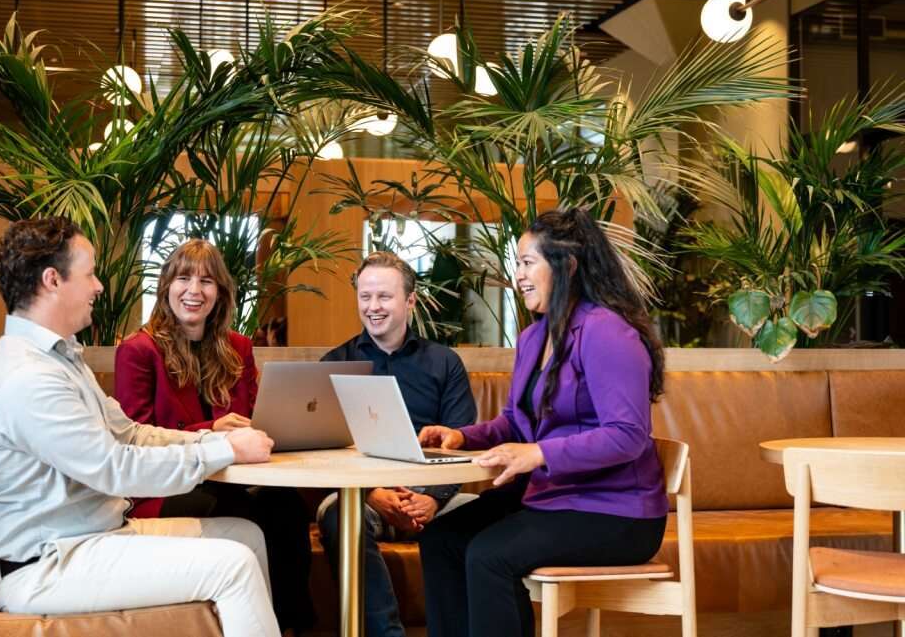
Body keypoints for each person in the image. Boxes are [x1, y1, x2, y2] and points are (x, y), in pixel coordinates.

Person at [0, 217, 281, 637]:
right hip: (46, 563)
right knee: (234, 563)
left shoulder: (59, 359)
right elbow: (114, 467)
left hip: (91, 538)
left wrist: (216, 438)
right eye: (89, 274)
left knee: (246, 535)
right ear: (52, 280)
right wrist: (223, 452)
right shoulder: (29, 375)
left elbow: (131, 432)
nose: (99, 286)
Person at [417, 208, 669, 637]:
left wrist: (539, 453)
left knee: (488, 554)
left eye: (527, 262)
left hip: (617, 512)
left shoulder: (608, 332)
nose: (518, 274)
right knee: (441, 538)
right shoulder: (535, 336)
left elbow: (627, 436)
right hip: (557, 497)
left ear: (567, 265)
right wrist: (463, 436)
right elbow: (518, 420)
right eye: (518, 263)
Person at [114, 239, 314, 634]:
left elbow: (257, 417)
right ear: (166, 286)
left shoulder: (238, 347)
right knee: (248, 514)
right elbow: (133, 442)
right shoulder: (139, 350)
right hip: (164, 489)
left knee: (287, 505)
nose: (194, 290)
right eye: (183, 278)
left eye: (206, 281)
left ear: (220, 292)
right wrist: (211, 434)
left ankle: (292, 625)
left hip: (232, 480)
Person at [317, 251, 477, 637]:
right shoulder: (333, 363)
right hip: (358, 495)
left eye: (384, 297)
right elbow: (319, 451)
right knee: (339, 517)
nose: (373, 307)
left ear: (410, 301)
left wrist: (433, 498)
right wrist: (371, 494)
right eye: (365, 296)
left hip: (436, 496)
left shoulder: (444, 363)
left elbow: (462, 446)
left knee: (492, 515)